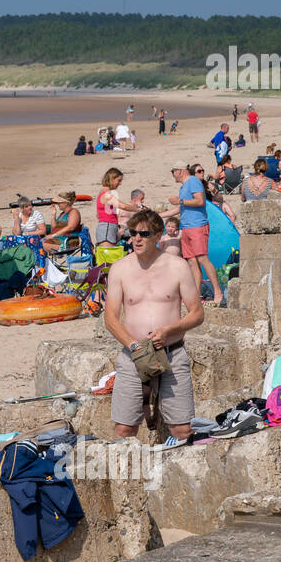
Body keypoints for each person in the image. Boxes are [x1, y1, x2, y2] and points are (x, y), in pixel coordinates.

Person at [103, 208, 204, 445]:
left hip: (172, 353)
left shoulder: (178, 266)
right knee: (124, 429)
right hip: (133, 356)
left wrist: (168, 331)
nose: (136, 239)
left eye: (144, 234)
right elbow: (111, 319)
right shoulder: (120, 268)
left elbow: (198, 313)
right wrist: (135, 346)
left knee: (182, 429)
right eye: (133, 233)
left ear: (158, 235)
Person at [169, 165, 222, 306]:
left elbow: (200, 201)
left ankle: (218, 292)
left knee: (202, 258)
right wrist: (158, 215)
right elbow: (180, 208)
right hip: (186, 227)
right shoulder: (183, 187)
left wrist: (179, 201)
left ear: (179, 170)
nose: (172, 175)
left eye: (173, 172)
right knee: (192, 262)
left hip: (197, 226)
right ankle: (196, 296)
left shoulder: (193, 181)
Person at [95, 168, 141, 248]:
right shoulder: (106, 194)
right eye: (118, 180)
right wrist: (138, 210)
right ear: (112, 179)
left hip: (108, 226)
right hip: (107, 227)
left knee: (110, 255)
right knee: (108, 256)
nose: (120, 183)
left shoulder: (103, 192)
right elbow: (123, 206)